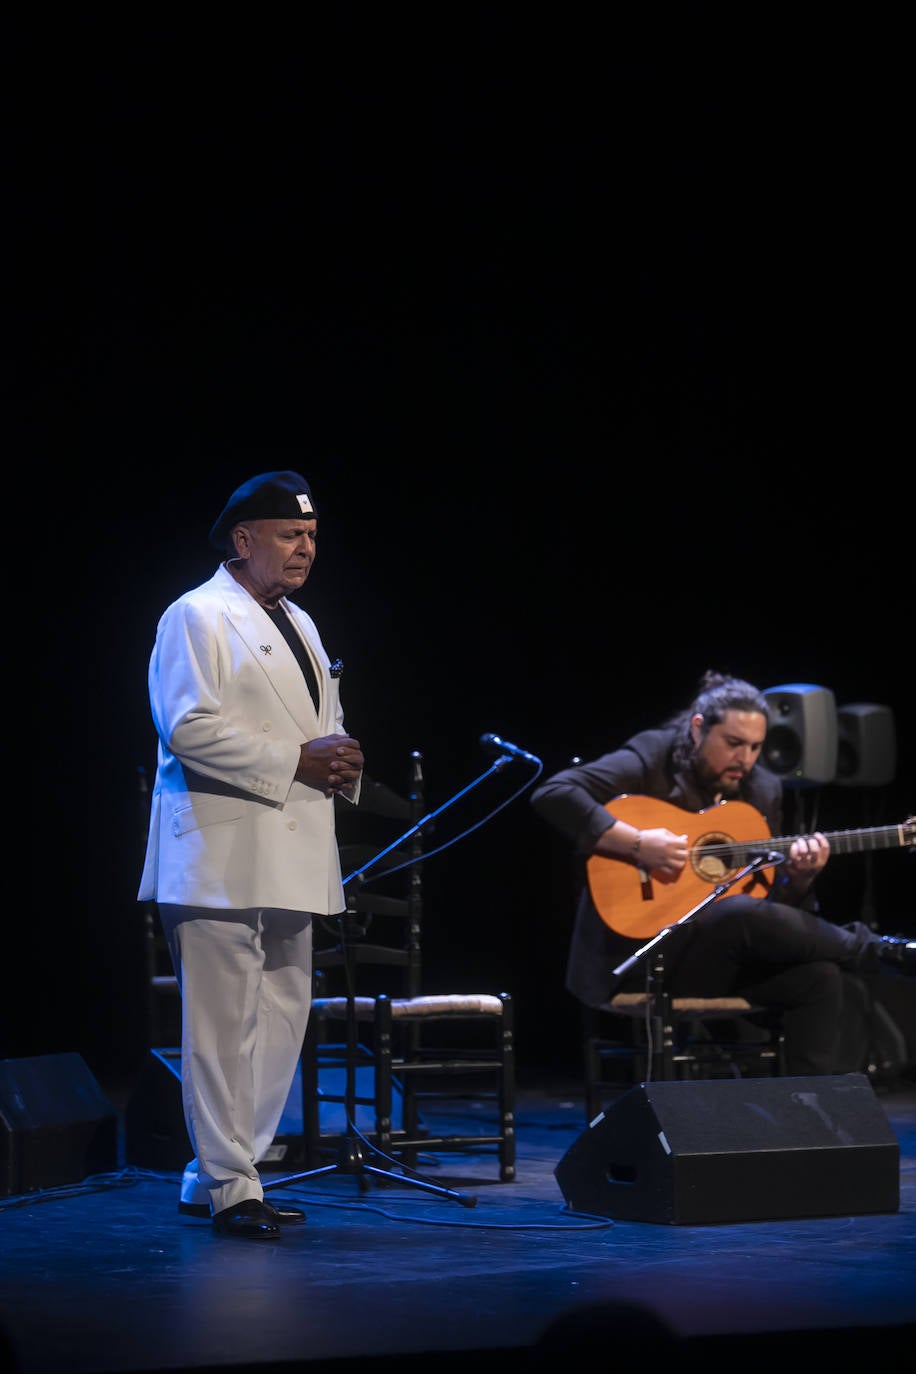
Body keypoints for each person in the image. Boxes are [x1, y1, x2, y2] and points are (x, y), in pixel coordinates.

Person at [138, 470, 364, 1240]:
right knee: (222, 1023)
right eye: (290, 534)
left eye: (312, 536)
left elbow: (321, 721)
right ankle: (233, 1186)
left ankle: (222, 1173)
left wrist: (341, 757)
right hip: (221, 848)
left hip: (292, 845)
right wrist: (296, 759)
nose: (306, 548)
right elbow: (186, 727)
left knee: (282, 1015)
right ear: (243, 540)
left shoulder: (301, 621)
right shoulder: (196, 615)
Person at [530, 670, 914, 1077]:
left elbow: (770, 910)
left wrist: (798, 879)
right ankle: (879, 950)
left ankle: (807, 1108)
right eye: (733, 743)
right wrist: (638, 844)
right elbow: (553, 793)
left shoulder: (763, 789)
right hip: (635, 958)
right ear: (698, 729)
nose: (745, 759)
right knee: (736, 912)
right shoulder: (653, 756)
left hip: (713, 961)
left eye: (755, 747)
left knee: (820, 977)